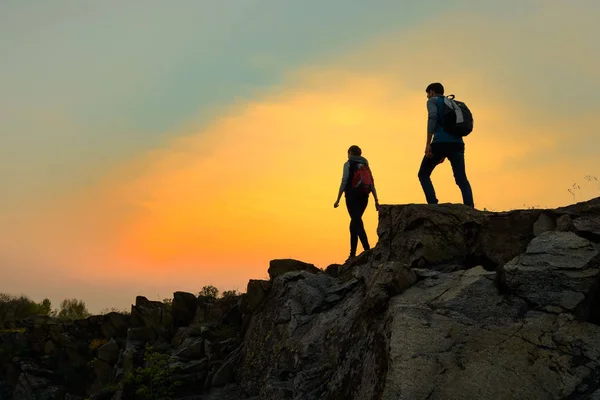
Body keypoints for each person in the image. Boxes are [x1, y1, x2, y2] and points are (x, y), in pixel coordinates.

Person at [418, 82, 474, 208]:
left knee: (423, 174)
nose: (427, 97)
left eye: (428, 94)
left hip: (440, 143)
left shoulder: (433, 101)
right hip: (457, 144)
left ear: (431, 92)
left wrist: (428, 144)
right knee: (461, 178)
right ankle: (470, 207)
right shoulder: (454, 104)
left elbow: (432, 118)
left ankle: (433, 205)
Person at [334, 145, 380, 261]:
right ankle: (352, 254)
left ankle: (367, 250)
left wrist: (338, 198)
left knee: (357, 222)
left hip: (352, 196)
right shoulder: (365, 164)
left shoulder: (348, 164)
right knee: (354, 224)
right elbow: (372, 182)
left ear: (350, 153)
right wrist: (376, 200)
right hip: (364, 197)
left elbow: (344, 181)